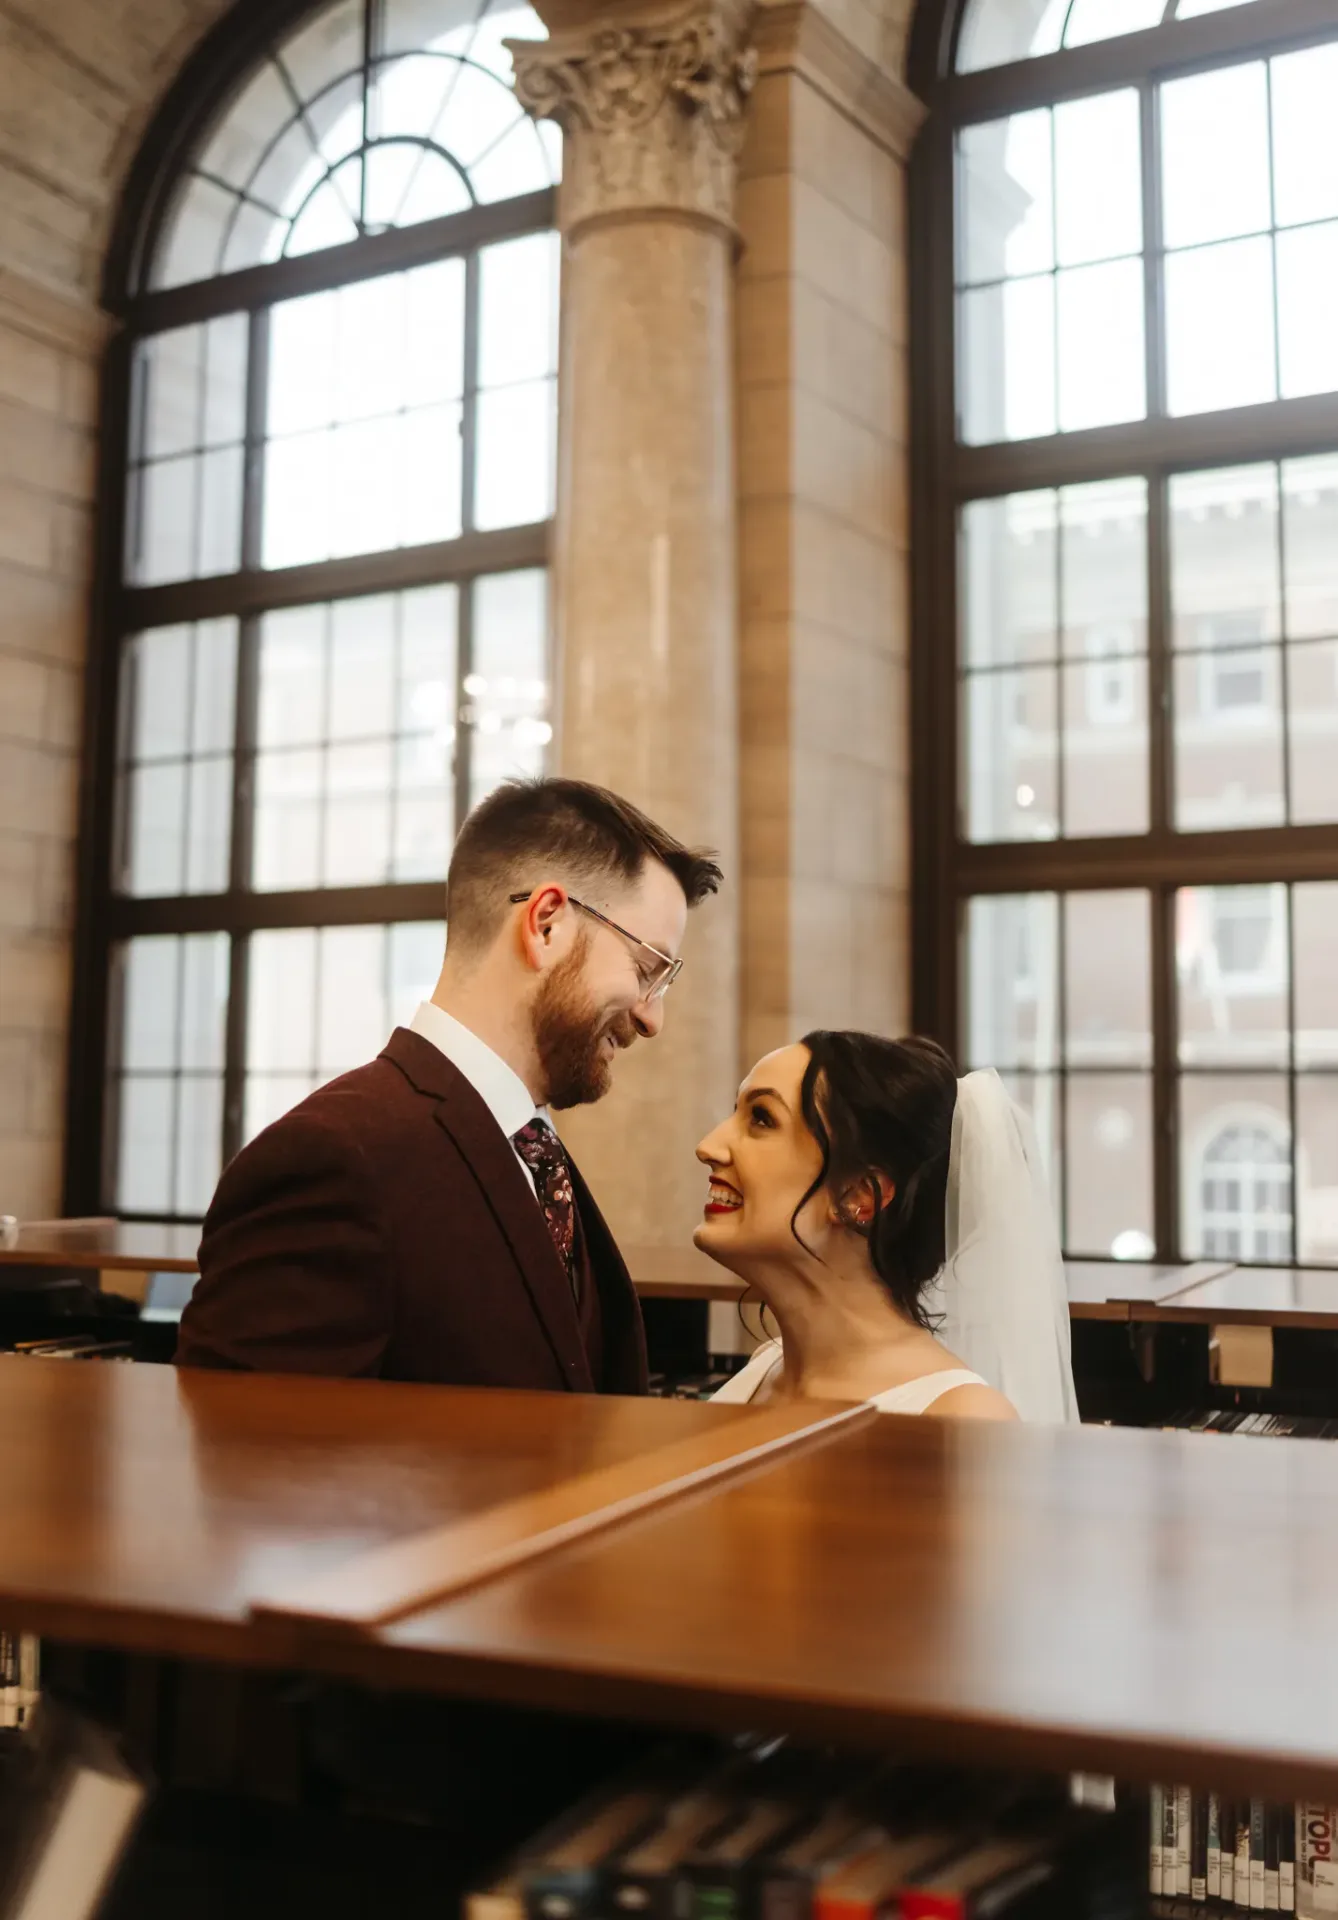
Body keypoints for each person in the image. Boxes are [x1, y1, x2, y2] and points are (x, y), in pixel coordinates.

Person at [177, 777, 721, 1389]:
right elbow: (247, 1459)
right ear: (546, 923)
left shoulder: (532, 1150)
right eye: (648, 969)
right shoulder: (333, 1158)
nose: (653, 1018)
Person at [695, 1031, 1079, 1422]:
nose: (708, 1146)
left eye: (761, 1118)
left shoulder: (962, 1417)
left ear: (859, 1195)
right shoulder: (764, 1367)